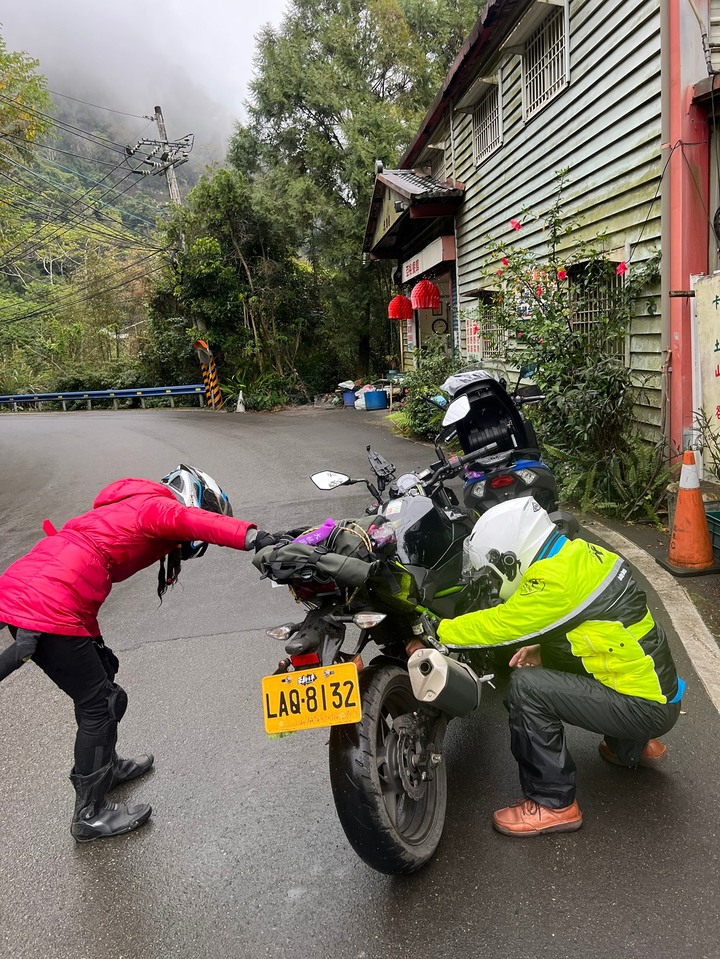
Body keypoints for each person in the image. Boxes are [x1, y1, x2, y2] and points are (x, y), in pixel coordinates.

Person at [0, 464, 276, 843]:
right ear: (194, 498)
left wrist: (94, 641)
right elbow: (196, 523)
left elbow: (77, 577)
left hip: (41, 589)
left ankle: (107, 768)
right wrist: (256, 537)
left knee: (105, 678)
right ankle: (90, 815)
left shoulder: (127, 505)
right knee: (100, 705)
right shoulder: (157, 508)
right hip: (48, 604)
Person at [407, 497, 684, 838]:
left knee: (526, 687)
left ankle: (553, 803)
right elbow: (598, 629)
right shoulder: (578, 554)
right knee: (554, 649)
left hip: (646, 708)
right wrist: (546, 651)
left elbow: (500, 624)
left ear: (510, 557)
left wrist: (436, 632)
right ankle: (631, 746)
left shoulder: (552, 582)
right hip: (660, 691)